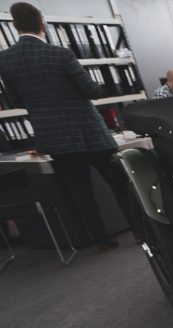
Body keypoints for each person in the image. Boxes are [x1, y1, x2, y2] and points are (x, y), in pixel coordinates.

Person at [0, 2, 140, 252]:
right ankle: (141, 231)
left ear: (14, 26)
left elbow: (16, 99)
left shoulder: (5, 60)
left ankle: (101, 240)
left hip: (55, 138)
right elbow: (91, 90)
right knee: (119, 182)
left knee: (79, 192)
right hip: (89, 132)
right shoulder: (60, 54)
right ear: (42, 25)